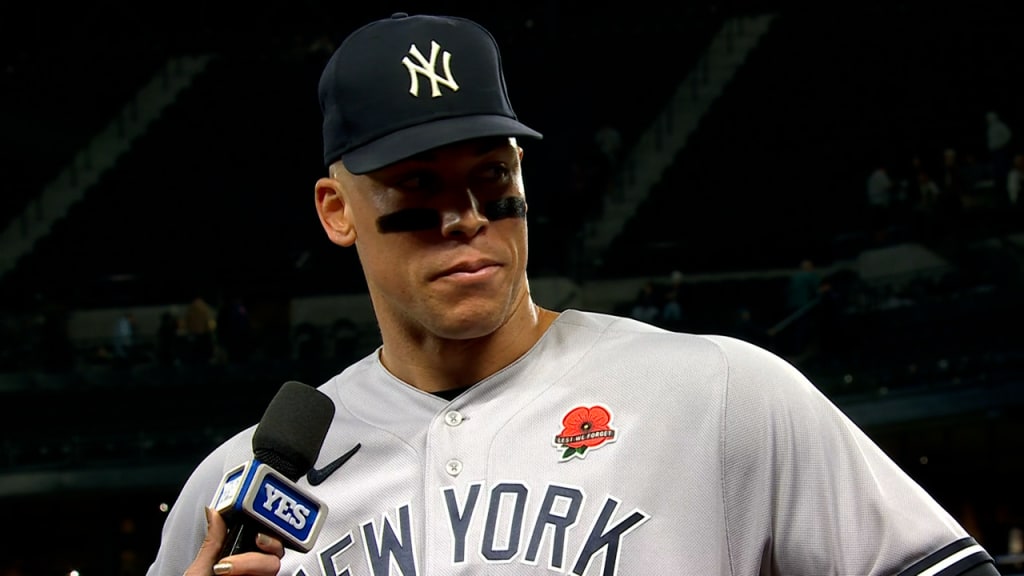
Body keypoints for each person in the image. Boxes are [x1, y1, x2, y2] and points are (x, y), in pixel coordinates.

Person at [147, 12, 1000, 576]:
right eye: (418, 186)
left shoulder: (722, 394)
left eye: (490, 175)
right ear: (338, 212)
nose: (466, 217)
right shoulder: (236, 485)